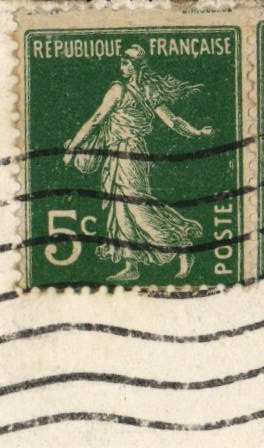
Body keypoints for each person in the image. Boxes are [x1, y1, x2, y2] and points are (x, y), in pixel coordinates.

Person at [62, 45, 214, 282]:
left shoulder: (121, 90)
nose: (121, 67)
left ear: (135, 67)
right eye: (121, 62)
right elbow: (173, 121)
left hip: (130, 153)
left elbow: (95, 121)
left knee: (137, 207)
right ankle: (131, 265)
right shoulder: (146, 91)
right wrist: (197, 132)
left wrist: (73, 147)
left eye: (125, 63)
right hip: (119, 153)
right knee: (120, 210)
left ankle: (182, 246)